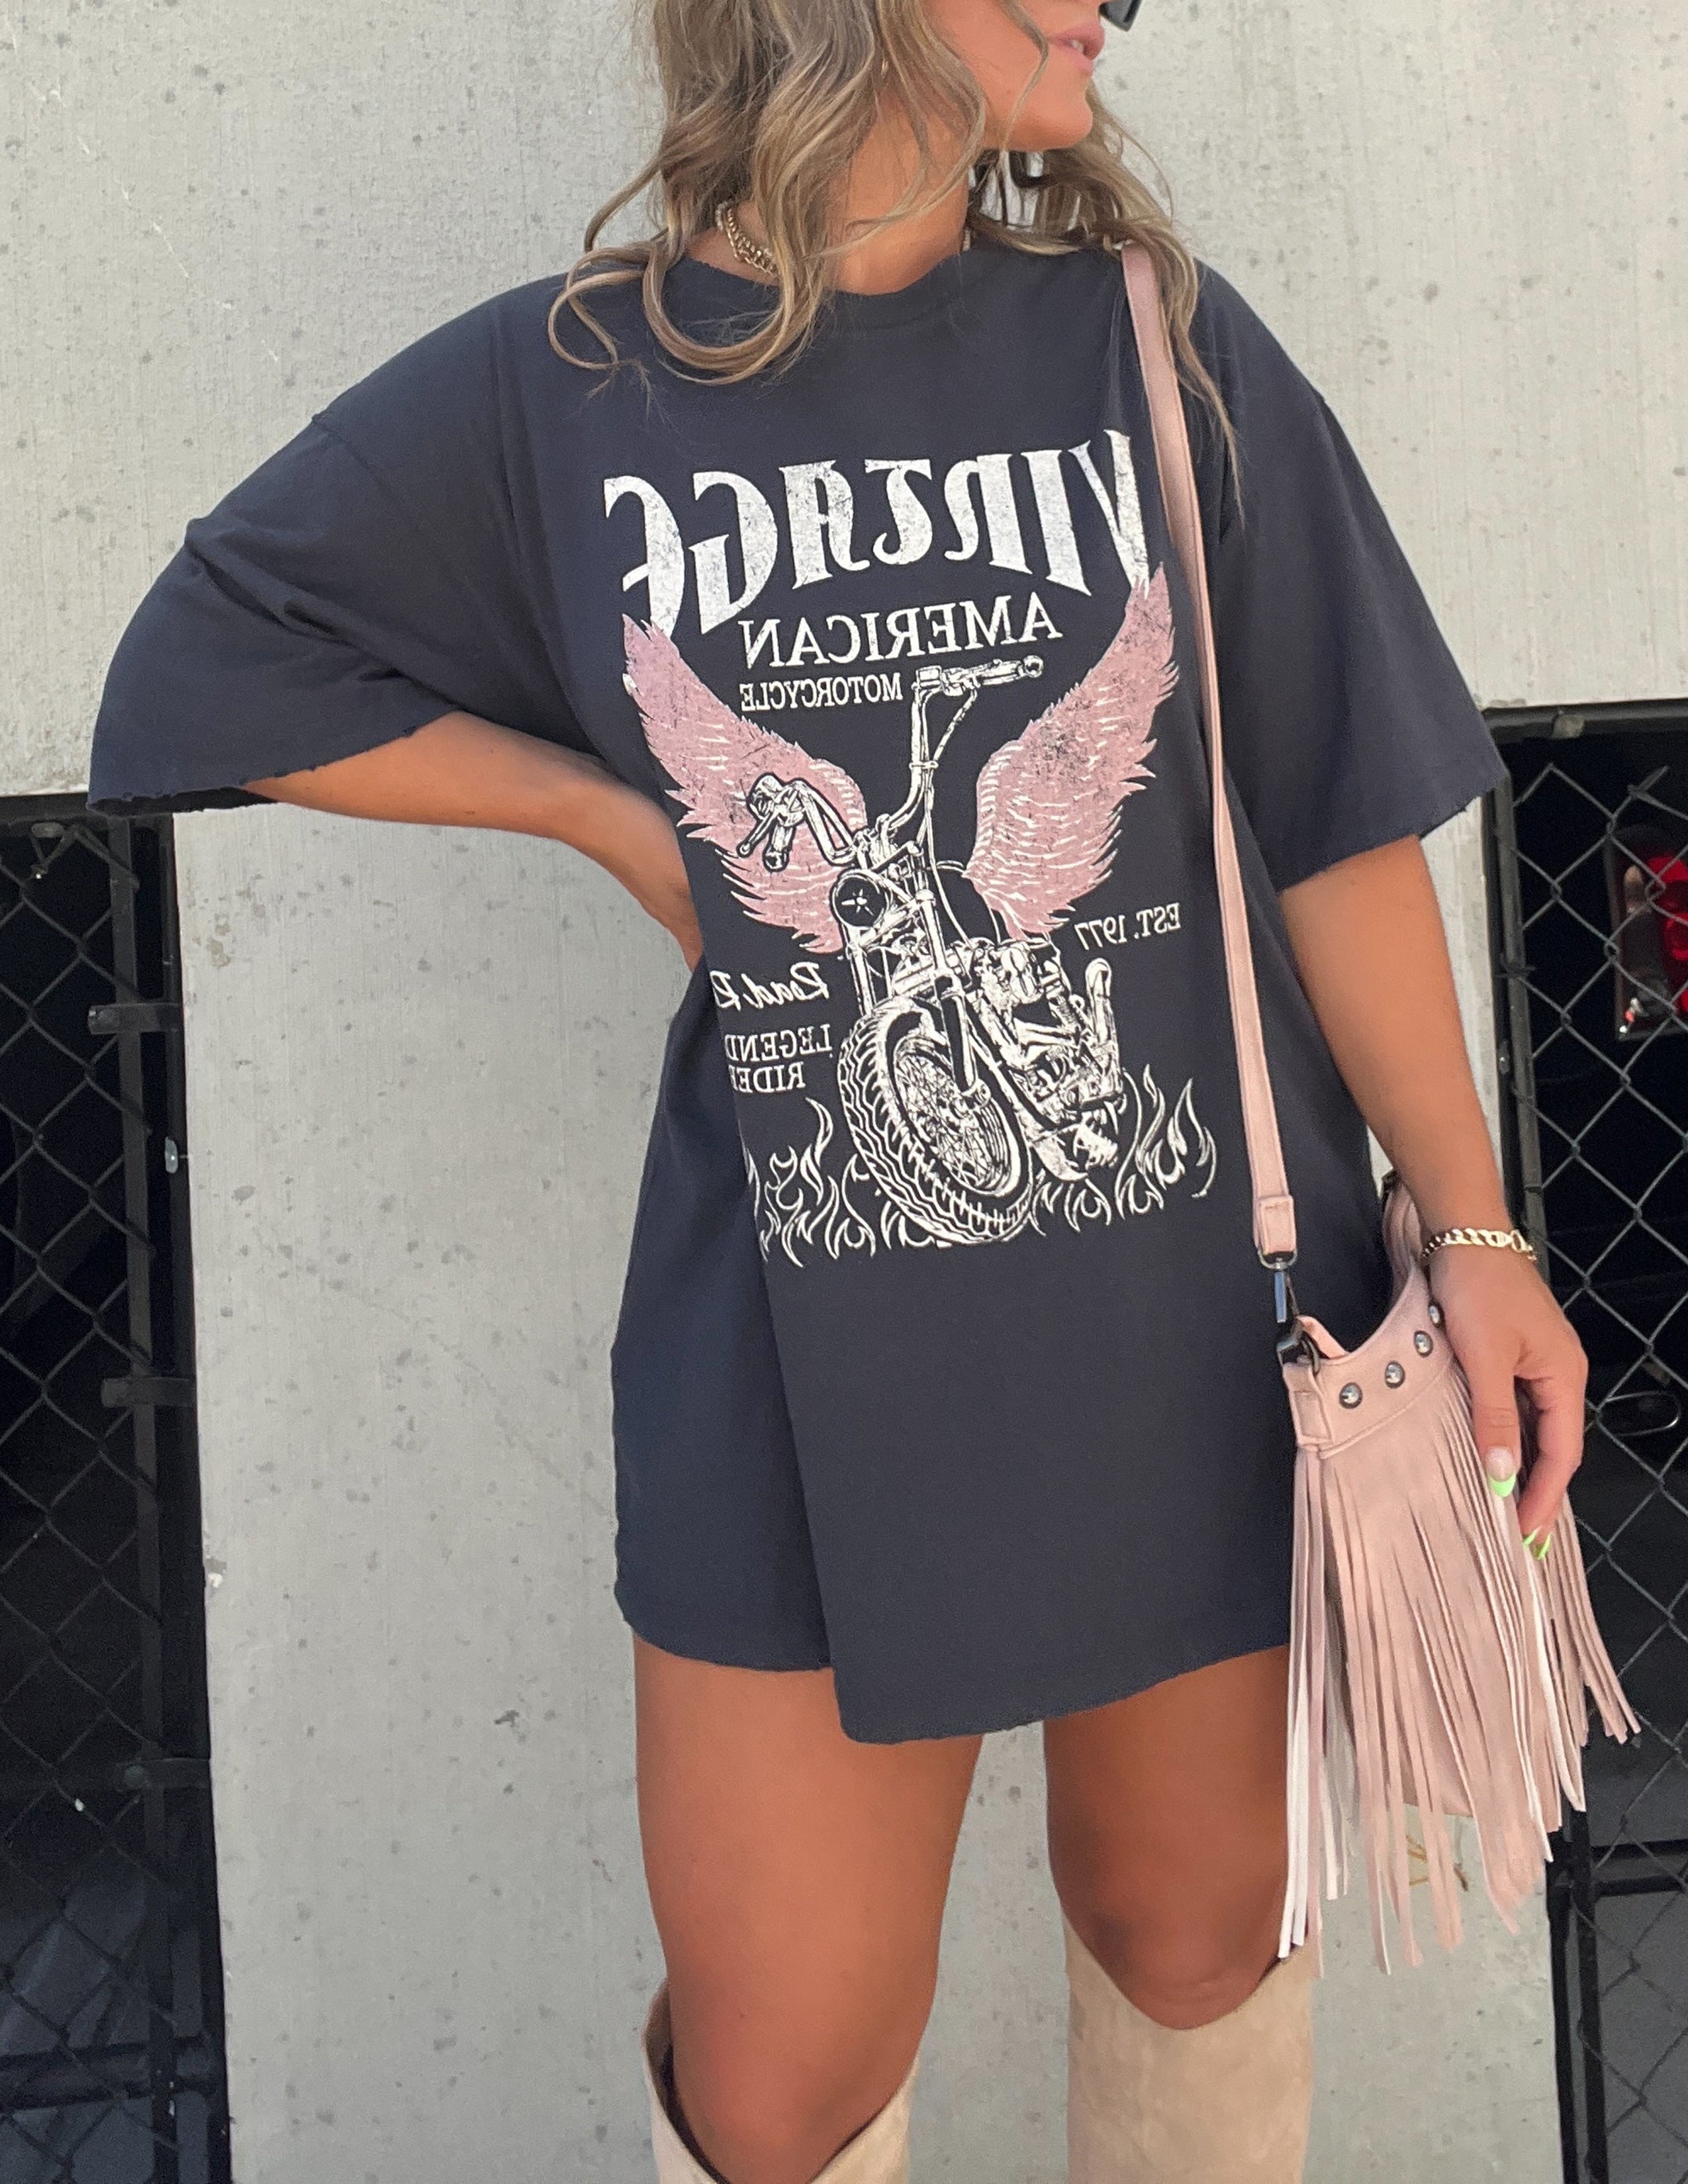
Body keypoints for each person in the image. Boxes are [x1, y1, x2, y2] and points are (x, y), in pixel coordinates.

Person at [87, 3, 1588, 2178]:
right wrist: (617, 821)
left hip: (1195, 1311)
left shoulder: (1155, 350)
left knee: (1192, 1939)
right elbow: (206, 659)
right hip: (796, 1349)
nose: (1112, 6)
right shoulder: (569, 388)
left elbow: (1337, 814)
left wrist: (1474, 1225)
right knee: (778, 2080)